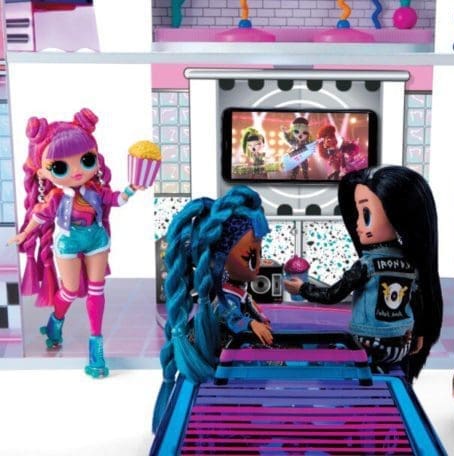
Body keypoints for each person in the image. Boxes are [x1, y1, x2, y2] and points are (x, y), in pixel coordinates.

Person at [8, 108, 145, 378]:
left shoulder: (95, 190)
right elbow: (40, 215)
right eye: (60, 167)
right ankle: (55, 322)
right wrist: (24, 234)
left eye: (86, 160)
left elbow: (115, 199)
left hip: (96, 239)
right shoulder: (56, 198)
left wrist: (132, 189)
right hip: (68, 242)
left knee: (97, 290)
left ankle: (96, 346)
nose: (77, 171)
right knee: (69, 291)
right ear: (43, 173)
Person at [284, 165, 442, 381]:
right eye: (358, 215)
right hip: (401, 345)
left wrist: (302, 288)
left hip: (370, 345)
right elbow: (417, 301)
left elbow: (333, 294)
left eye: (366, 215)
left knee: (321, 359)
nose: (357, 225)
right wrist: (420, 333)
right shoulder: (411, 263)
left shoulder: (367, 264)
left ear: (397, 216)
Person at [152, 185, 271, 431]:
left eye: (260, 251)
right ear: (220, 259)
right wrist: (250, 323)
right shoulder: (222, 297)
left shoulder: (233, 291)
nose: (258, 262)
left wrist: (252, 308)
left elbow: (240, 302)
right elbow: (227, 313)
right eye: (251, 254)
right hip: (228, 353)